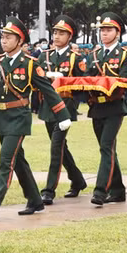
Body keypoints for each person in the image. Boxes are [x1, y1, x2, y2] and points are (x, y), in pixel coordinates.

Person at [0, 17, 71, 222]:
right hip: (0, 117)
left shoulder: (29, 65)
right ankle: (35, 199)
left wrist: (63, 115)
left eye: (9, 37)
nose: (4, 41)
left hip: (19, 118)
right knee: (18, 161)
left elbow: (48, 90)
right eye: (3, 37)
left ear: (20, 41)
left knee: (6, 161)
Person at [85, 12, 127, 205]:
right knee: (107, 149)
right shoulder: (94, 55)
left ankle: (100, 190)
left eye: (108, 30)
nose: (104, 34)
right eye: (102, 30)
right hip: (96, 106)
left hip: (114, 106)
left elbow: (125, 80)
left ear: (117, 32)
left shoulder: (125, 55)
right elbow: (86, 77)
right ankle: (118, 189)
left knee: (106, 146)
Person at [37, 15, 87, 205]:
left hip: (65, 106)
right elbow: (37, 75)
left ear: (70, 36)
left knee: (56, 147)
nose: (57, 36)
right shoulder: (44, 55)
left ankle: (49, 190)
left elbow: (84, 82)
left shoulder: (76, 58)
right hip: (48, 106)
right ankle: (78, 181)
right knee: (61, 148)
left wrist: (66, 80)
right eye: (55, 32)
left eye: (61, 33)